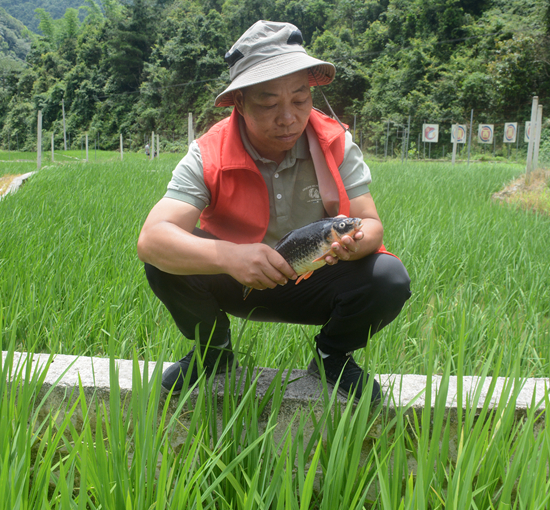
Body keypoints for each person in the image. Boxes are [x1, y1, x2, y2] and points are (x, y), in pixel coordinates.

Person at [137, 20, 411, 403]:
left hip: (314, 277)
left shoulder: (335, 141)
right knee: (166, 258)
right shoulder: (208, 153)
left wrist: (355, 244)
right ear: (240, 103)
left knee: (389, 277)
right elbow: (152, 239)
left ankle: (332, 355)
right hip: (235, 280)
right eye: (268, 103)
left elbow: (372, 225)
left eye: (300, 100)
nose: (288, 117)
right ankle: (212, 353)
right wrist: (232, 256)